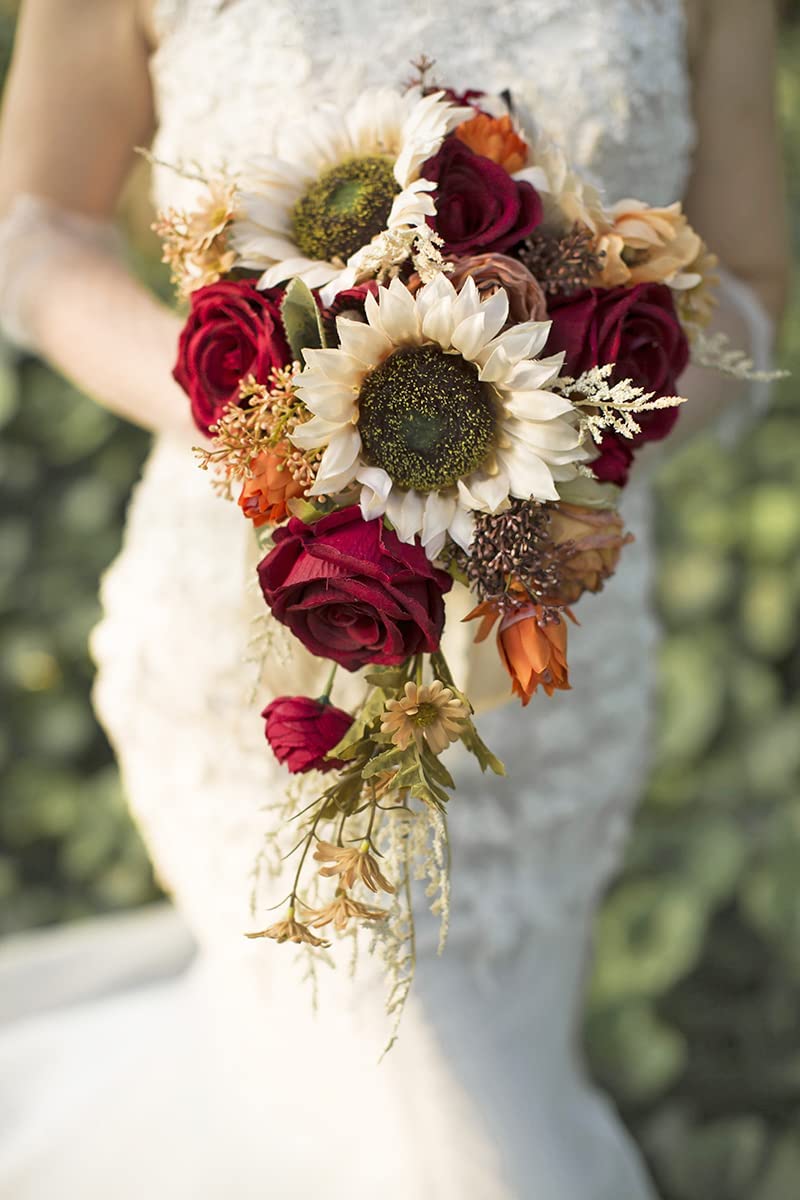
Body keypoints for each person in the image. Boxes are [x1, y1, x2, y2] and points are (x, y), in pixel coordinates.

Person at [0, 2, 789, 1197]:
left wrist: (559, 438)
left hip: (545, 672)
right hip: (258, 656)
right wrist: (261, 425)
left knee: (435, 1088)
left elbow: (753, 281)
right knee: (436, 1132)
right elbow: (38, 231)